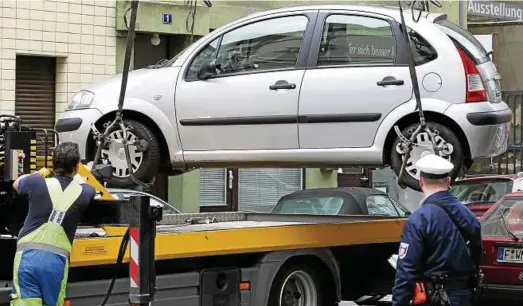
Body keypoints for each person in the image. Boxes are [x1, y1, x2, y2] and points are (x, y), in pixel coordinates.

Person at [10, 142, 96, 306]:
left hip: (27, 258)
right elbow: (90, 188)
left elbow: (17, 183)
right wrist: (78, 176)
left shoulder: (36, 182)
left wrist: (40, 173)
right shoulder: (84, 193)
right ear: (77, 167)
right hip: (55, 262)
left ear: (52, 164)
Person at [392, 152, 482, 306]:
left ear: (420, 182)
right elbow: (477, 255)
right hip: (464, 296)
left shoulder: (419, 219)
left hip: (434, 298)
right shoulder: (469, 215)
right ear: (448, 181)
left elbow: (406, 271)